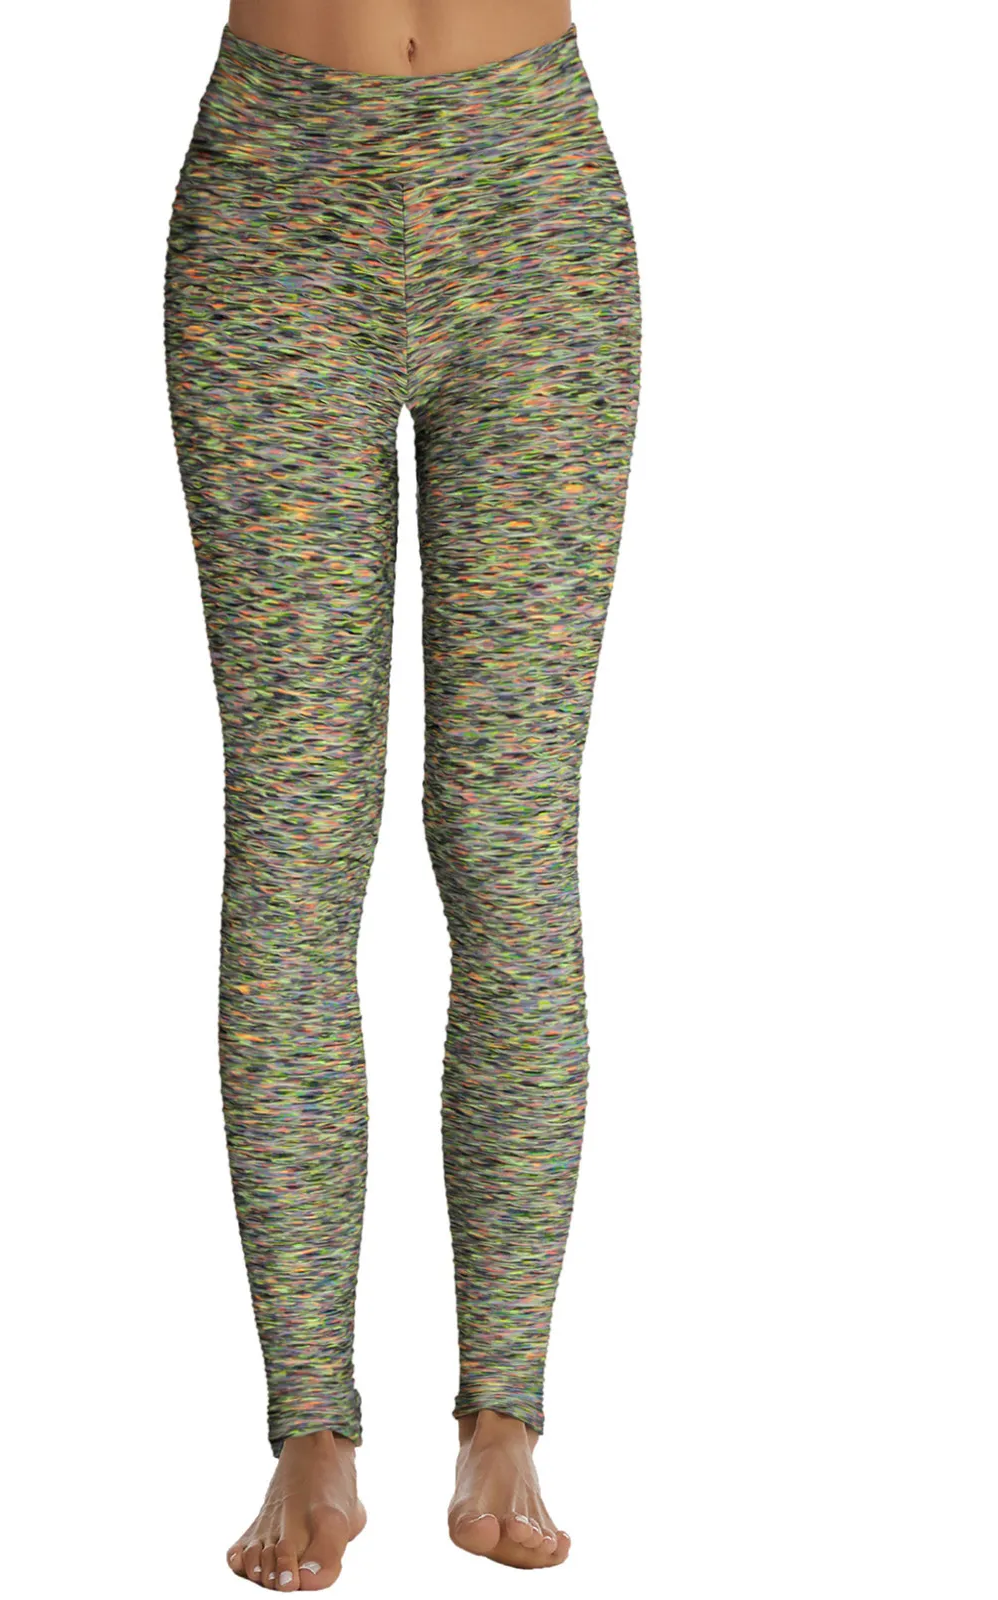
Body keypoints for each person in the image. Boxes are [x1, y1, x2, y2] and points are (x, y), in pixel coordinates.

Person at [163, 0, 640, 1585]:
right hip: (274, 197)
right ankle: (310, 1421)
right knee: (295, 833)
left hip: (531, 199)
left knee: (509, 835)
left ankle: (505, 1404)